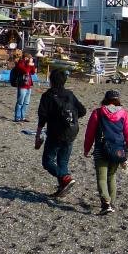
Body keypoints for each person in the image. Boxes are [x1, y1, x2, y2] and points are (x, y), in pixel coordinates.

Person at [83, 90, 128, 214]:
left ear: (105, 99)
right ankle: (111, 203)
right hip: (118, 150)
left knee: (102, 178)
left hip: (101, 149)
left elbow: (90, 133)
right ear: (118, 100)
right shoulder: (123, 113)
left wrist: (87, 149)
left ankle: (106, 204)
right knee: (111, 176)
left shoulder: (97, 112)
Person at [34, 68, 87, 198]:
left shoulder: (47, 96)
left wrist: (38, 134)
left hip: (56, 133)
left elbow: (42, 117)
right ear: (64, 81)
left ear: (51, 80)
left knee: (47, 161)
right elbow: (83, 111)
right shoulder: (70, 94)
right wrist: (71, 119)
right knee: (62, 162)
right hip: (71, 131)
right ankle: (63, 187)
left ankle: (65, 179)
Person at [12, 54, 37, 123]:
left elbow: (33, 72)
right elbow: (26, 71)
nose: (30, 59)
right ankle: (17, 117)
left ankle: (23, 117)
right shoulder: (20, 63)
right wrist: (29, 64)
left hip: (28, 85)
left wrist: (32, 65)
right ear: (25, 58)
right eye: (29, 58)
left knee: (26, 102)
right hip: (22, 85)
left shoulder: (27, 64)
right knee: (20, 102)